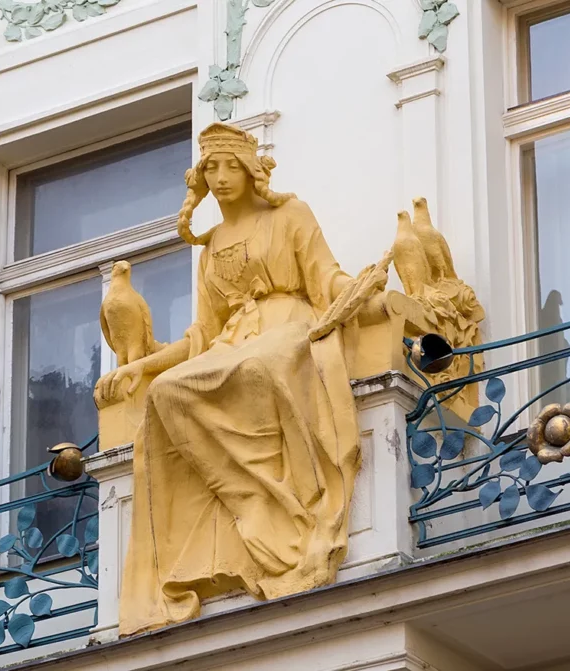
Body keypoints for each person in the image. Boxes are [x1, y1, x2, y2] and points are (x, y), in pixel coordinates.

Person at [94, 122, 386, 636]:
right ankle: (245, 495)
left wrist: (363, 292)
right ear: (201, 178)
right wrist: (142, 366)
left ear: (252, 172)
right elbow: (202, 336)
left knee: (258, 366)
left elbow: (326, 278)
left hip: (288, 327)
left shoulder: (289, 215)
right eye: (212, 168)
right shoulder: (210, 247)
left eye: (231, 166)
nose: (223, 177)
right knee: (168, 392)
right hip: (232, 342)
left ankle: (281, 509)